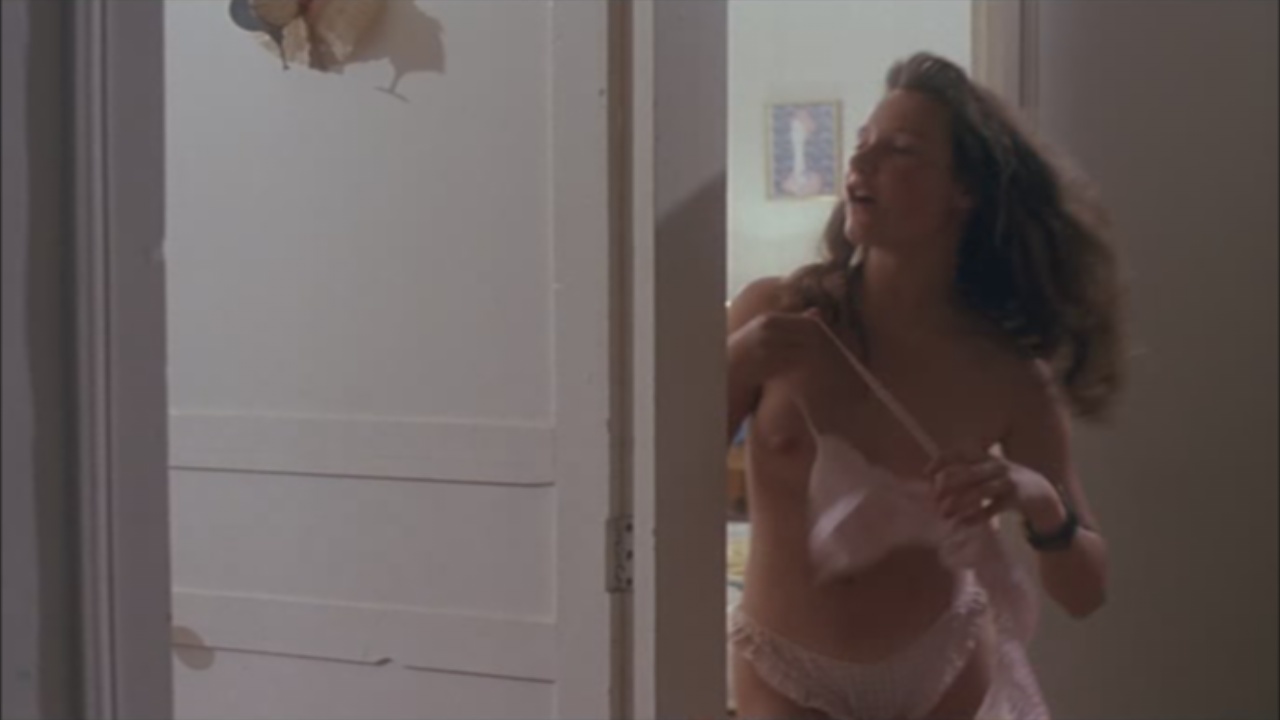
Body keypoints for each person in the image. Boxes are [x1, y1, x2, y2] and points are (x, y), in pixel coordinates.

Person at [726, 52, 1123, 720]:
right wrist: (735, 363)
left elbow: (1086, 592)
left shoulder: (1007, 374)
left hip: (944, 664)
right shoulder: (776, 316)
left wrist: (1039, 500)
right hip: (783, 665)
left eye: (900, 149)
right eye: (863, 143)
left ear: (963, 193)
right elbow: (654, 482)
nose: (861, 161)